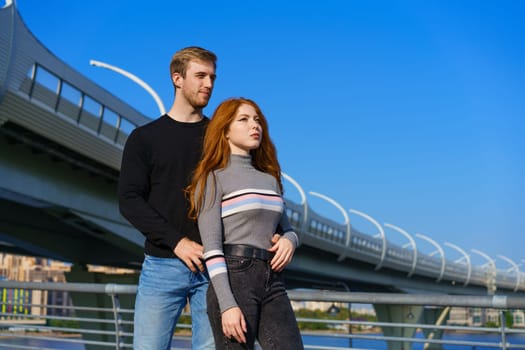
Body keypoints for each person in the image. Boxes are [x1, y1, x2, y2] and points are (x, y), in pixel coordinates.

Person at [118, 46, 217, 350]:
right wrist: (177, 242)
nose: (209, 84)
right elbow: (129, 200)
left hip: (215, 269)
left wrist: (285, 234)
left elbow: (251, 188)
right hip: (162, 266)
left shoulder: (220, 137)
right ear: (177, 78)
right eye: (200, 76)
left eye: (213, 77)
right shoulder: (144, 139)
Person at [187, 97, 304, 349]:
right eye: (244, 119)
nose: (255, 125)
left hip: (272, 279)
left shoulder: (270, 179)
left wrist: (289, 241)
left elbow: (290, 231)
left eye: (257, 120)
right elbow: (212, 248)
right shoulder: (212, 179)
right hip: (234, 277)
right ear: (225, 131)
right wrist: (227, 305)